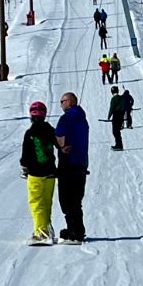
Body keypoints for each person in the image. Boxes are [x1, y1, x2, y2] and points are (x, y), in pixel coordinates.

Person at [20, 101, 59, 244]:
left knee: (36, 202)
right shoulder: (50, 130)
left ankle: (41, 233)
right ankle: (46, 228)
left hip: (36, 172)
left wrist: (24, 167)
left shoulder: (30, 133)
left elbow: (25, 155)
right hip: (50, 171)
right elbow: (59, 145)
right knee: (47, 202)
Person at [54, 92, 90, 243]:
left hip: (68, 164)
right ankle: (77, 230)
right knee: (76, 199)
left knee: (67, 200)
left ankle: (74, 233)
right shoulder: (83, 118)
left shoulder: (66, 118)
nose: (61, 104)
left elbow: (59, 135)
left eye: (62, 101)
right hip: (82, 164)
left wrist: (61, 147)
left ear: (69, 102)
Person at [106, 86, 125, 151]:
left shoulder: (114, 99)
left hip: (116, 115)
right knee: (117, 131)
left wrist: (109, 116)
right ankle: (119, 145)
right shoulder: (121, 98)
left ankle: (119, 145)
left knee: (115, 131)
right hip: (121, 115)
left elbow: (111, 108)